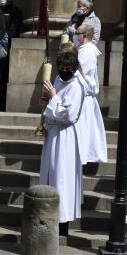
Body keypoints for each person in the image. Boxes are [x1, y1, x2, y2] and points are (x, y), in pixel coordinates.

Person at [39, 48, 87, 236]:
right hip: (54, 134)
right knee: (50, 173)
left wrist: (53, 97)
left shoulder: (76, 86)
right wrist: (47, 102)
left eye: (68, 67)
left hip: (66, 137)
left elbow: (68, 115)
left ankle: (62, 221)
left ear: (74, 68)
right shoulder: (59, 79)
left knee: (62, 177)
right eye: (61, 67)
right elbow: (52, 107)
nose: (64, 70)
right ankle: (47, 214)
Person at [74, 23, 108, 166]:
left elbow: (79, 72)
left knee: (83, 130)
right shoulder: (83, 49)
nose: (76, 36)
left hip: (83, 96)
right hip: (81, 96)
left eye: (78, 33)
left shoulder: (87, 51)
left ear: (85, 35)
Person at [0, 0, 24, 110]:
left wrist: (3, 39)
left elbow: (15, 29)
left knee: (3, 76)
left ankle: (1, 103)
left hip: (7, 47)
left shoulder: (15, 11)